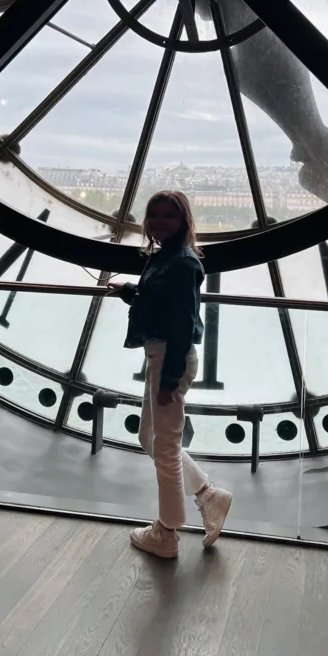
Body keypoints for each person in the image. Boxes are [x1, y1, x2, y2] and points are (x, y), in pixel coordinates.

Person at [109, 191, 232, 558]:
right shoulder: (178, 259)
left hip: (166, 360)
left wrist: (167, 381)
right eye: (156, 215)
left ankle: (167, 533)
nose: (160, 221)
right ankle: (207, 496)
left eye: (167, 216)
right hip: (167, 357)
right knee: (151, 436)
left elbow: (177, 324)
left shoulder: (175, 261)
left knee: (160, 444)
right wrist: (131, 290)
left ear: (181, 222)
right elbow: (169, 309)